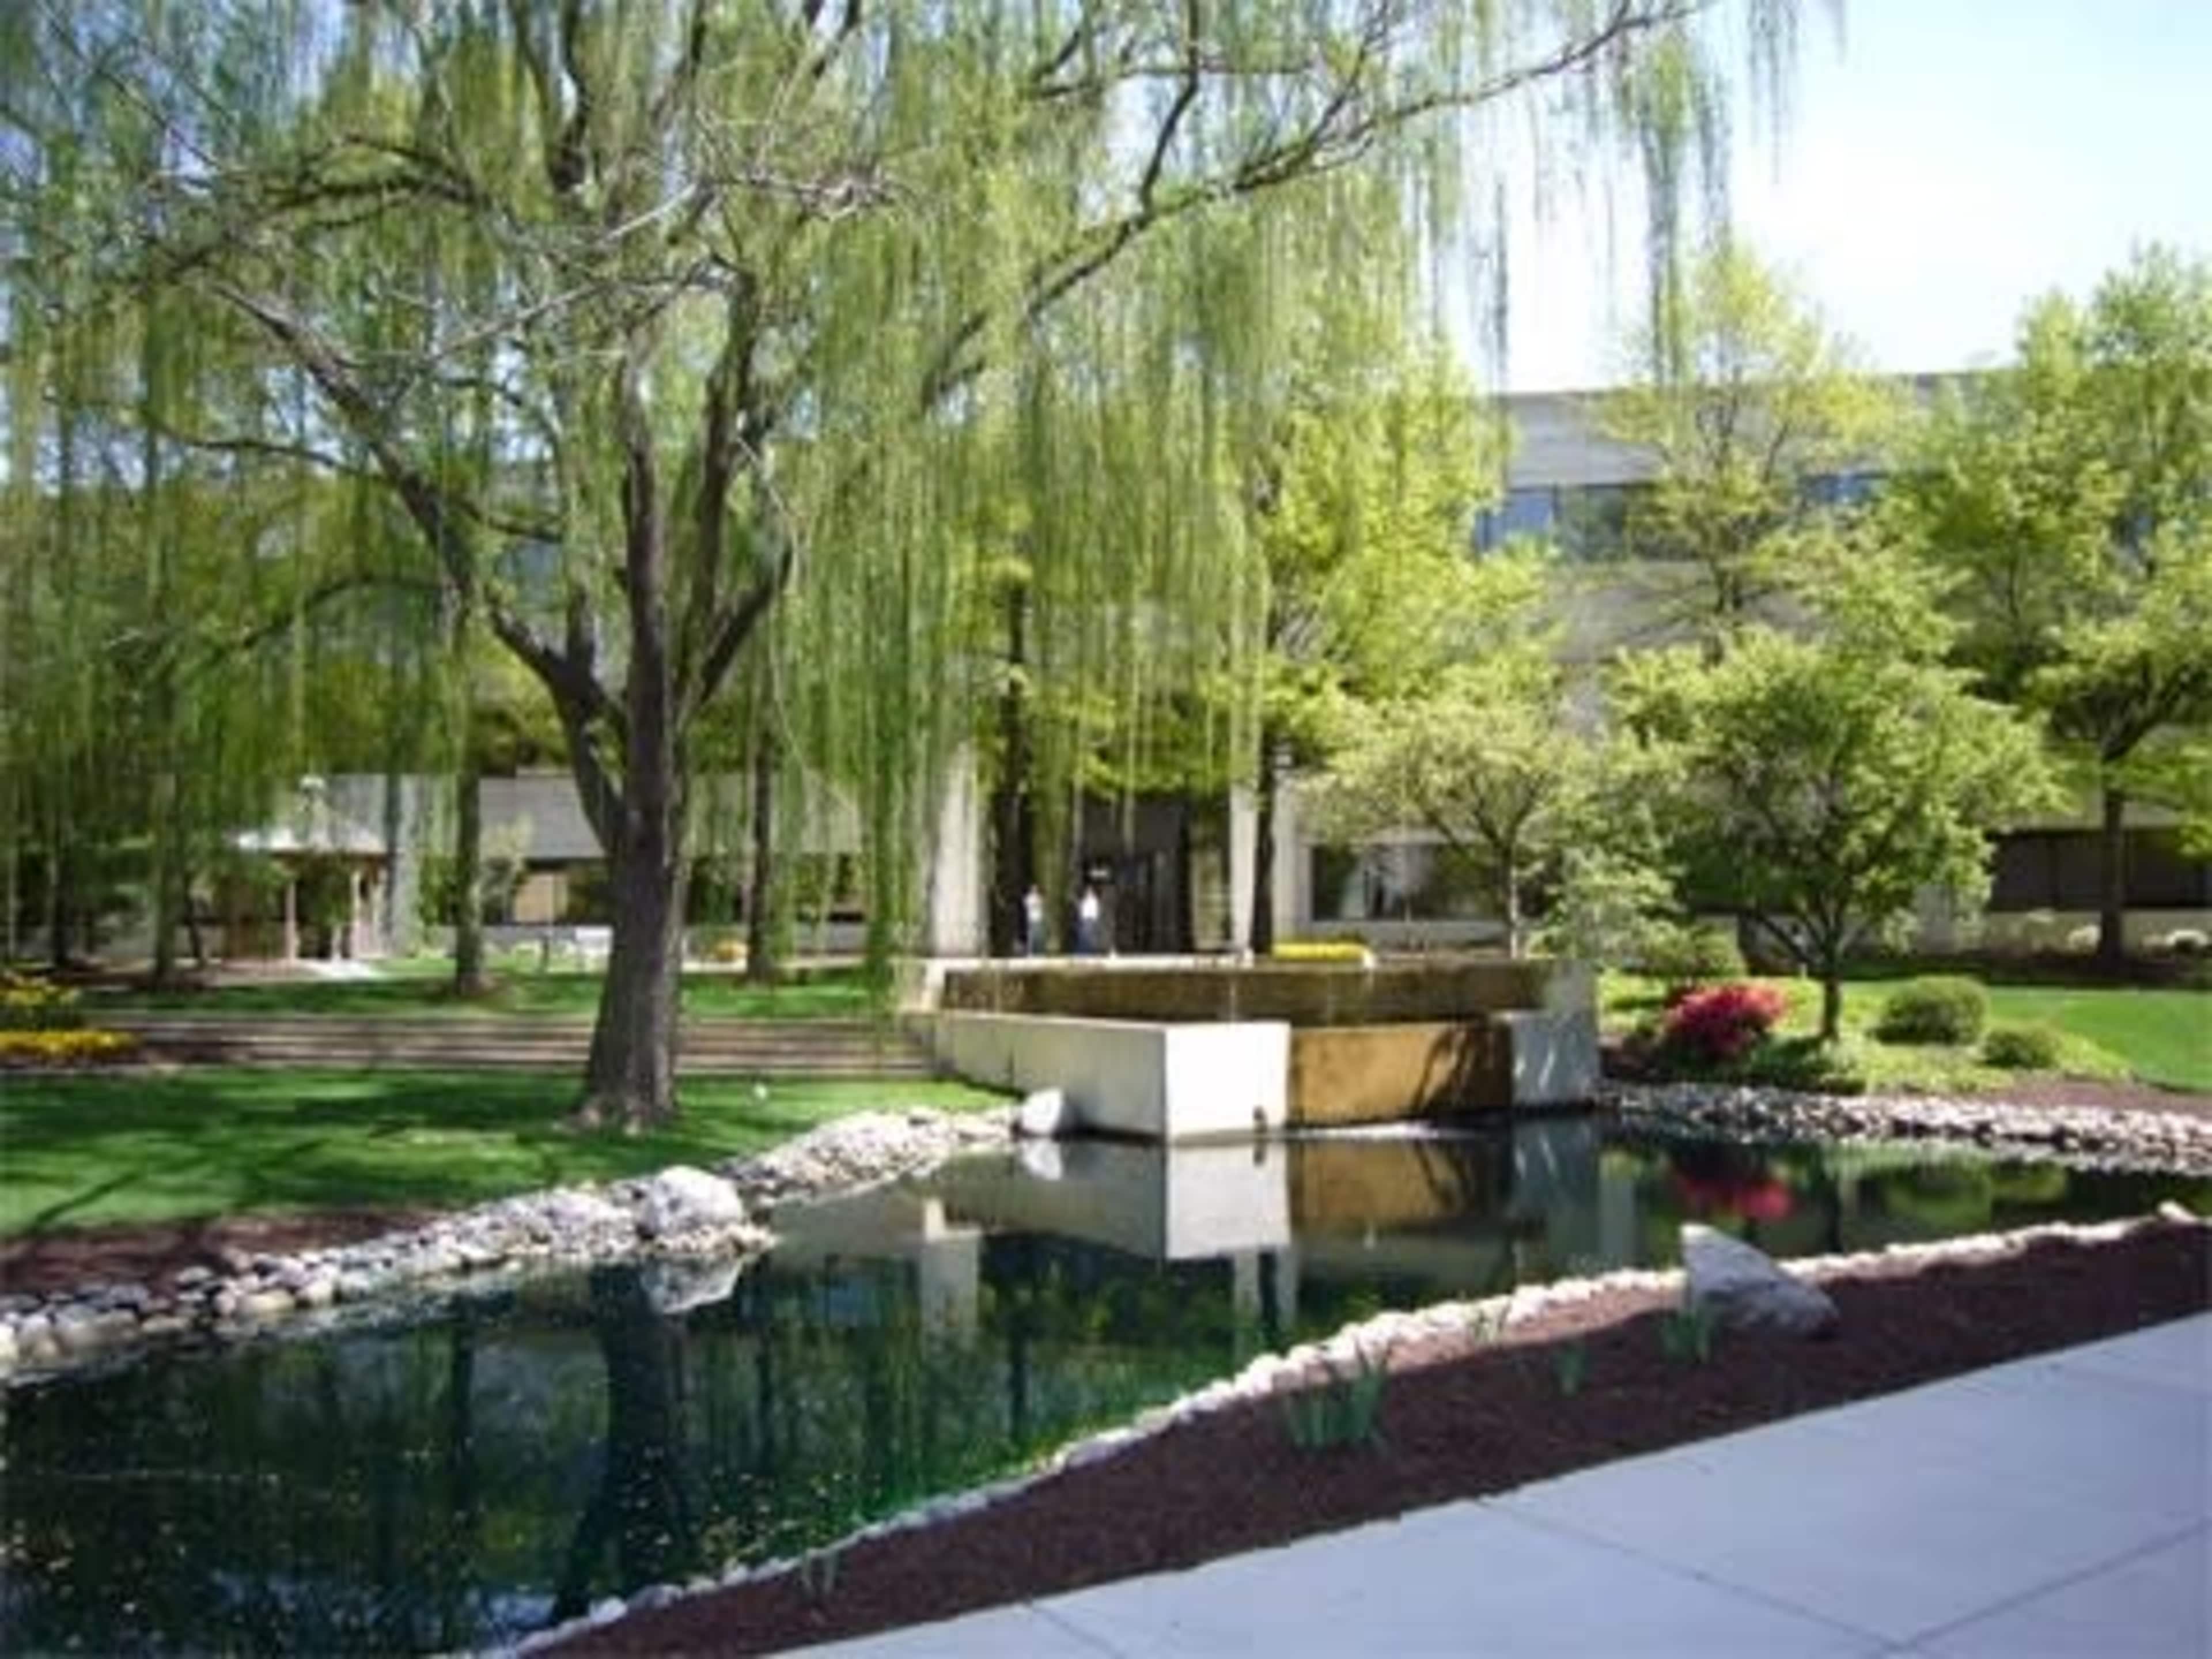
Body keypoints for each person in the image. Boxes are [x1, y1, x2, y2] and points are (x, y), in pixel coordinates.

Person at [1075, 883, 1103, 956]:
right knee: (1085, 940)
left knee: (1088, 941)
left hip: (1090, 922)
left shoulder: (1093, 900)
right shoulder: (1085, 900)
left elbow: (1095, 912)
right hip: (1085, 922)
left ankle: (1086, 955)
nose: (1089, 891)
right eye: (1088, 890)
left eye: (1090, 890)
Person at [1022, 884, 1046, 956]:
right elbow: (1027, 905)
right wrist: (1036, 903)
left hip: (1039, 920)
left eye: (1036, 889)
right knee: (1031, 937)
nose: (1035, 891)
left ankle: (1040, 952)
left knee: (1039, 937)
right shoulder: (1029, 898)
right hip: (1032, 920)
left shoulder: (1040, 898)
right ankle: (1031, 953)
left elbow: (1042, 905)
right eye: (1034, 889)